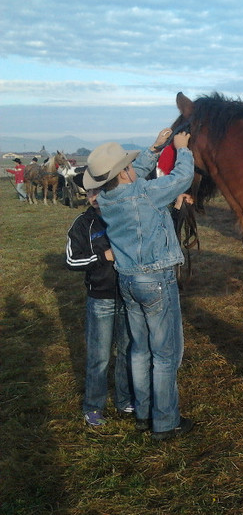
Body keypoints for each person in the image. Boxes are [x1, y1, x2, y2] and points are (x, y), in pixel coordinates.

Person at [83, 129, 194, 441]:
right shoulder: (145, 193)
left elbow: (133, 176)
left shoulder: (106, 198)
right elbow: (181, 178)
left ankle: (143, 413)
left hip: (128, 280)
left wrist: (156, 148)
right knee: (165, 354)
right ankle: (166, 422)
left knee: (140, 350)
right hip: (157, 279)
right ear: (125, 170)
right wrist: (182, 149)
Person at [65, 174, 135, 427]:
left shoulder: (124, 216)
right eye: (90, 192)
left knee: (127, 352)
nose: (94, 198)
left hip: (129, 294)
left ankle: (124, 399)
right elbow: (72, 260)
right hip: (100, 299)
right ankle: (93, 406)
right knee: (99, 356)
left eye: (99, 192)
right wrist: (102, 256)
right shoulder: (83, 224)